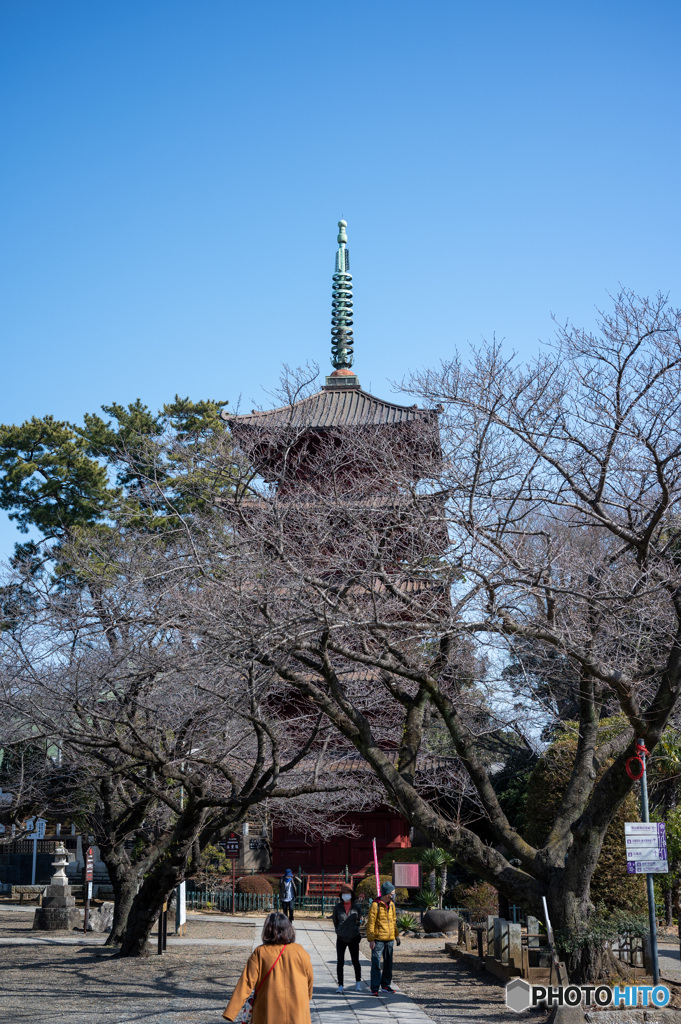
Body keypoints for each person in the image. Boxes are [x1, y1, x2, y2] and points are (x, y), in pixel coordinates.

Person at [222, 911, 313, 1024]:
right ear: (289, 929)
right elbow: (309, 980)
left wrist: (231, 1011)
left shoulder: (260, 953)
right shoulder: (300, 951)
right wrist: (306, 997)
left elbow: (246, 983)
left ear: (268, 930)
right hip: (297, 1009)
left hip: (269, 1008)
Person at [366, 880, 398, 995]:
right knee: (376, 963)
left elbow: (394, 921)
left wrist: (396, 935)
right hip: (378, 939)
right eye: (393, 892)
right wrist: (371, 939)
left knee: (388, 963)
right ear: (387, 893)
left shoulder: (392, 905)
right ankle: (374, 987)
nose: (394, 894)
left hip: (390, 938)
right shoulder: (375, 905)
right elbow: (371, 923)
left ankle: (385, 985)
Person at [331, 886, 363, 993]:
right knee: (340, 961)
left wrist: (355, 930)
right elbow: (335, 921)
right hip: (341, 937)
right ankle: (340, 984)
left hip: (353, 937)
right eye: (343, 892)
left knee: (355, 961)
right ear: (341, 895)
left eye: (347, 892)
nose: (346, 894)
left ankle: (358, 982)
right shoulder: (337, 907)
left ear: (352, 894)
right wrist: (339, 930)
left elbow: (359, 921)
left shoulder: (356, 907)